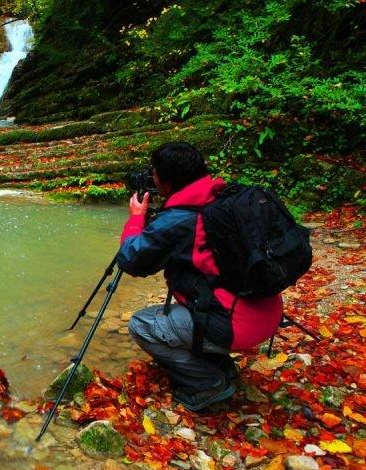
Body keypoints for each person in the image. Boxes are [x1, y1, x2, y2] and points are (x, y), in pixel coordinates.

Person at [117, 142, 283, 411]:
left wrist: (137, 219)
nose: (152, 178)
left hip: (236, 325)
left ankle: (208, 383)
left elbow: (131, 260)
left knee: (142, 325)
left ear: (167, 185)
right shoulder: (223, 196)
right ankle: (221, 364)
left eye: (154, 173)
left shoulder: (178, 220)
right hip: (267, 311)